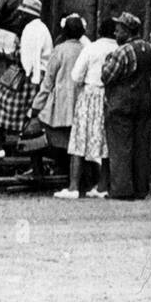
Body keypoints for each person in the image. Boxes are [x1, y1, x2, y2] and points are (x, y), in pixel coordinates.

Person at [0, 0, 51, 160]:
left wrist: (12, 54)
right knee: (25, 115)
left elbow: (29, 59)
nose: (20, 16)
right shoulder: (40, 28)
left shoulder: (31, 29)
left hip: (28, 76)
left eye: (23, 13)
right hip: (35, 75)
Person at [57, 17, 120, 199]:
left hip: (89, 94)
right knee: (106, 142)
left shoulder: (91, 48)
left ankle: (74, 186)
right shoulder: (119, 49)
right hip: (109, 96)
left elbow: (76, 76)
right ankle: (102, 186)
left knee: (79, 140)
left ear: (99, 31)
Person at [100, 11, 151, 200]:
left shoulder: (122, 51)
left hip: (122, 105)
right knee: (141, 147)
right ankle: (141, 188)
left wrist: (106, 62)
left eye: (118, 31)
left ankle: (122, 189)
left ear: (127, 31)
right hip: (144, 104)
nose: (116, 34)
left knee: (121, 148)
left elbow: (106, 76)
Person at [30, 15, 86, 185]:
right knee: (75, 142)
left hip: (60, 103)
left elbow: (48, 82)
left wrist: (35, 106)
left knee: (35, 134)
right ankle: (73, 177)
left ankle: (38, 173)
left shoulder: (59, 50)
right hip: (81, 101)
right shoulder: (85, 49)